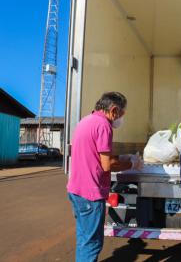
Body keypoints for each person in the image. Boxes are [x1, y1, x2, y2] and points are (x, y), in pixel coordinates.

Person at [67, 92, 143, 262]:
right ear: (114, 110)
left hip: (76, 190)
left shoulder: (85, 121)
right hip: (90, 194)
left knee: (84, 240)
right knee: (92, 244)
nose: (121, 119)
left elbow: (96, 155)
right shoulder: (104, 125)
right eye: (122, 114)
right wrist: (131, 164)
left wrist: (123, 157)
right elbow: (106, 164)